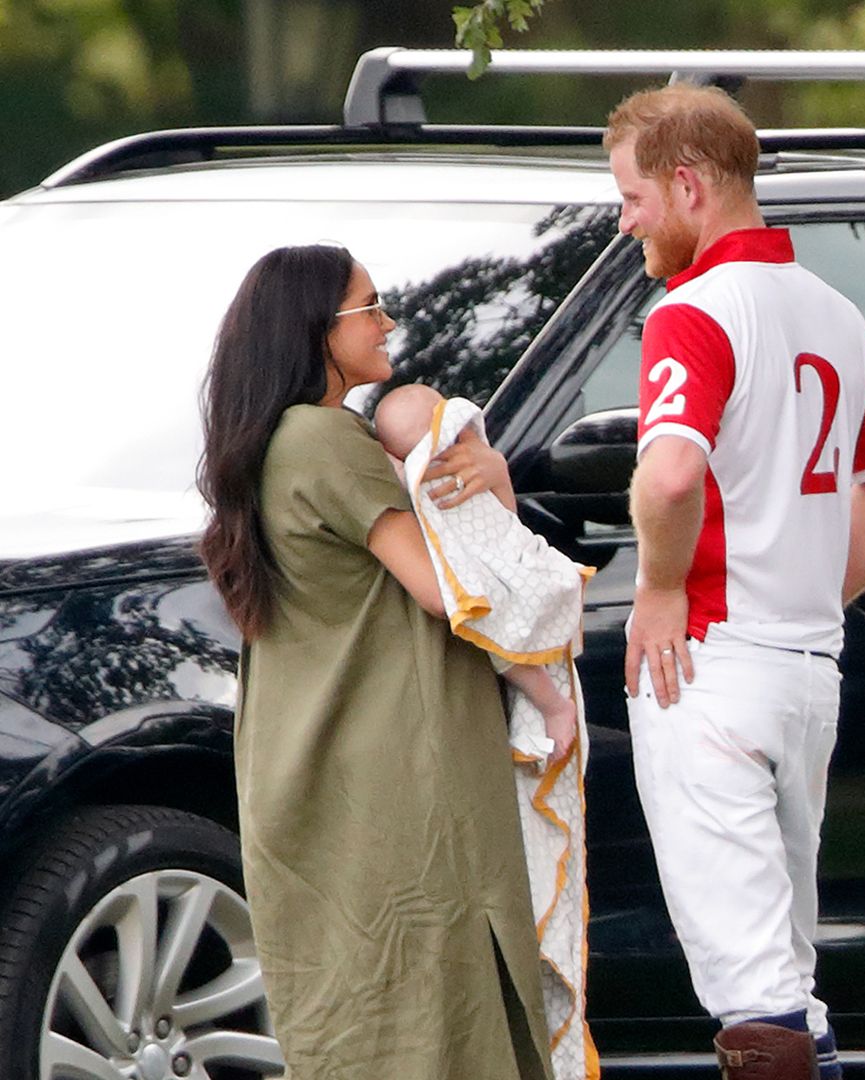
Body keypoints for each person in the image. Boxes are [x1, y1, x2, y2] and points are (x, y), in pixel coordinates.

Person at [604, 85, 865, 1079]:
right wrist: (814, 584)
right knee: (787, 973)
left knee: (755, 996)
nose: (626, 223)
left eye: (632, 198)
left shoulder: (695, 311)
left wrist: (661, 587)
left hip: (711, 665)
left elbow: (668, 475)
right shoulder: (831, 308)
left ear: (690, 186)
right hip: (805, 672)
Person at [197, 243, 555, 1080]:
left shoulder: (272, 445)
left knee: (359, 1018)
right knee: (438, 1020)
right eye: (370, 306)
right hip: (398, 779)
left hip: (313, 772)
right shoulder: (325, 439)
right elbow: (452, 590)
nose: (388, 321)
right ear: (318, 329)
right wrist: (491, 485)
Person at [374, 382, 599, 1080]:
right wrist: (552, 701)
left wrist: (497, 480)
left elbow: (507, 564)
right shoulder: (430, 503)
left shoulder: (460, 487)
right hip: (511, 716)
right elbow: (492, 609)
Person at [375, 383, 579, 766]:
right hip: (489, 591)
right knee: (500, 637)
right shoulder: (418, 481)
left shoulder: (465, 464)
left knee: (500, 634)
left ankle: (554, 706)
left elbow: (503, 526)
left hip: (505, 578)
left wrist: (497, 474)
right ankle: (552, 706)